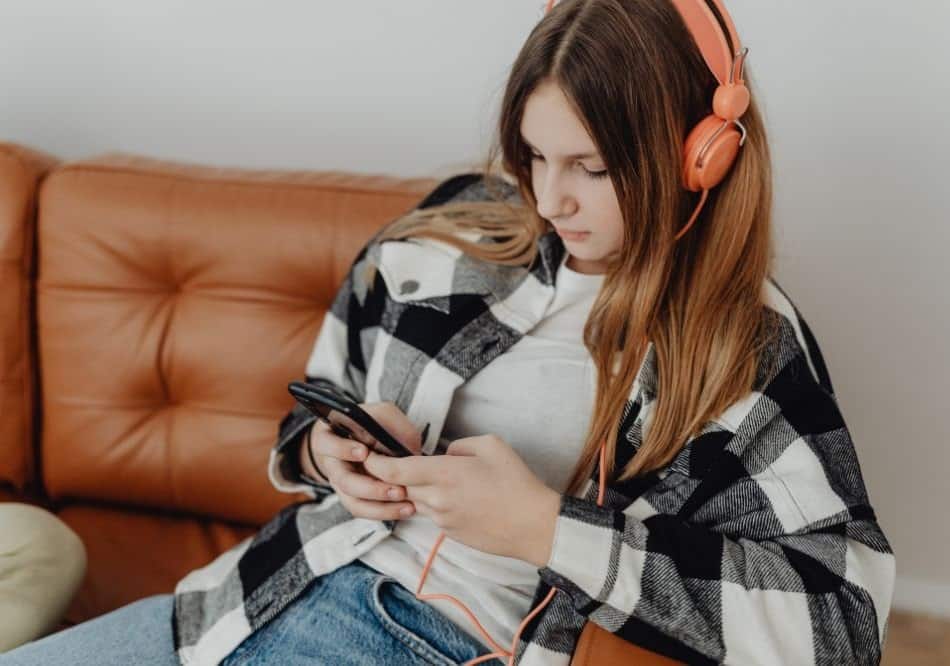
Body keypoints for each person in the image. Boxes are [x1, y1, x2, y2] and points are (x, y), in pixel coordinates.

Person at [0, 0, 896, 664]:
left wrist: (547, 528)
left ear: (701, 153)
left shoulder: (743, 347)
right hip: (257, 592)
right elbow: (319, 402)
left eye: (592, 167)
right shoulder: (453, 230)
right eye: (536, 156)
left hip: (433, 643)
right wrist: (327, 457)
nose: (551, 200)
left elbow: (842, 618)